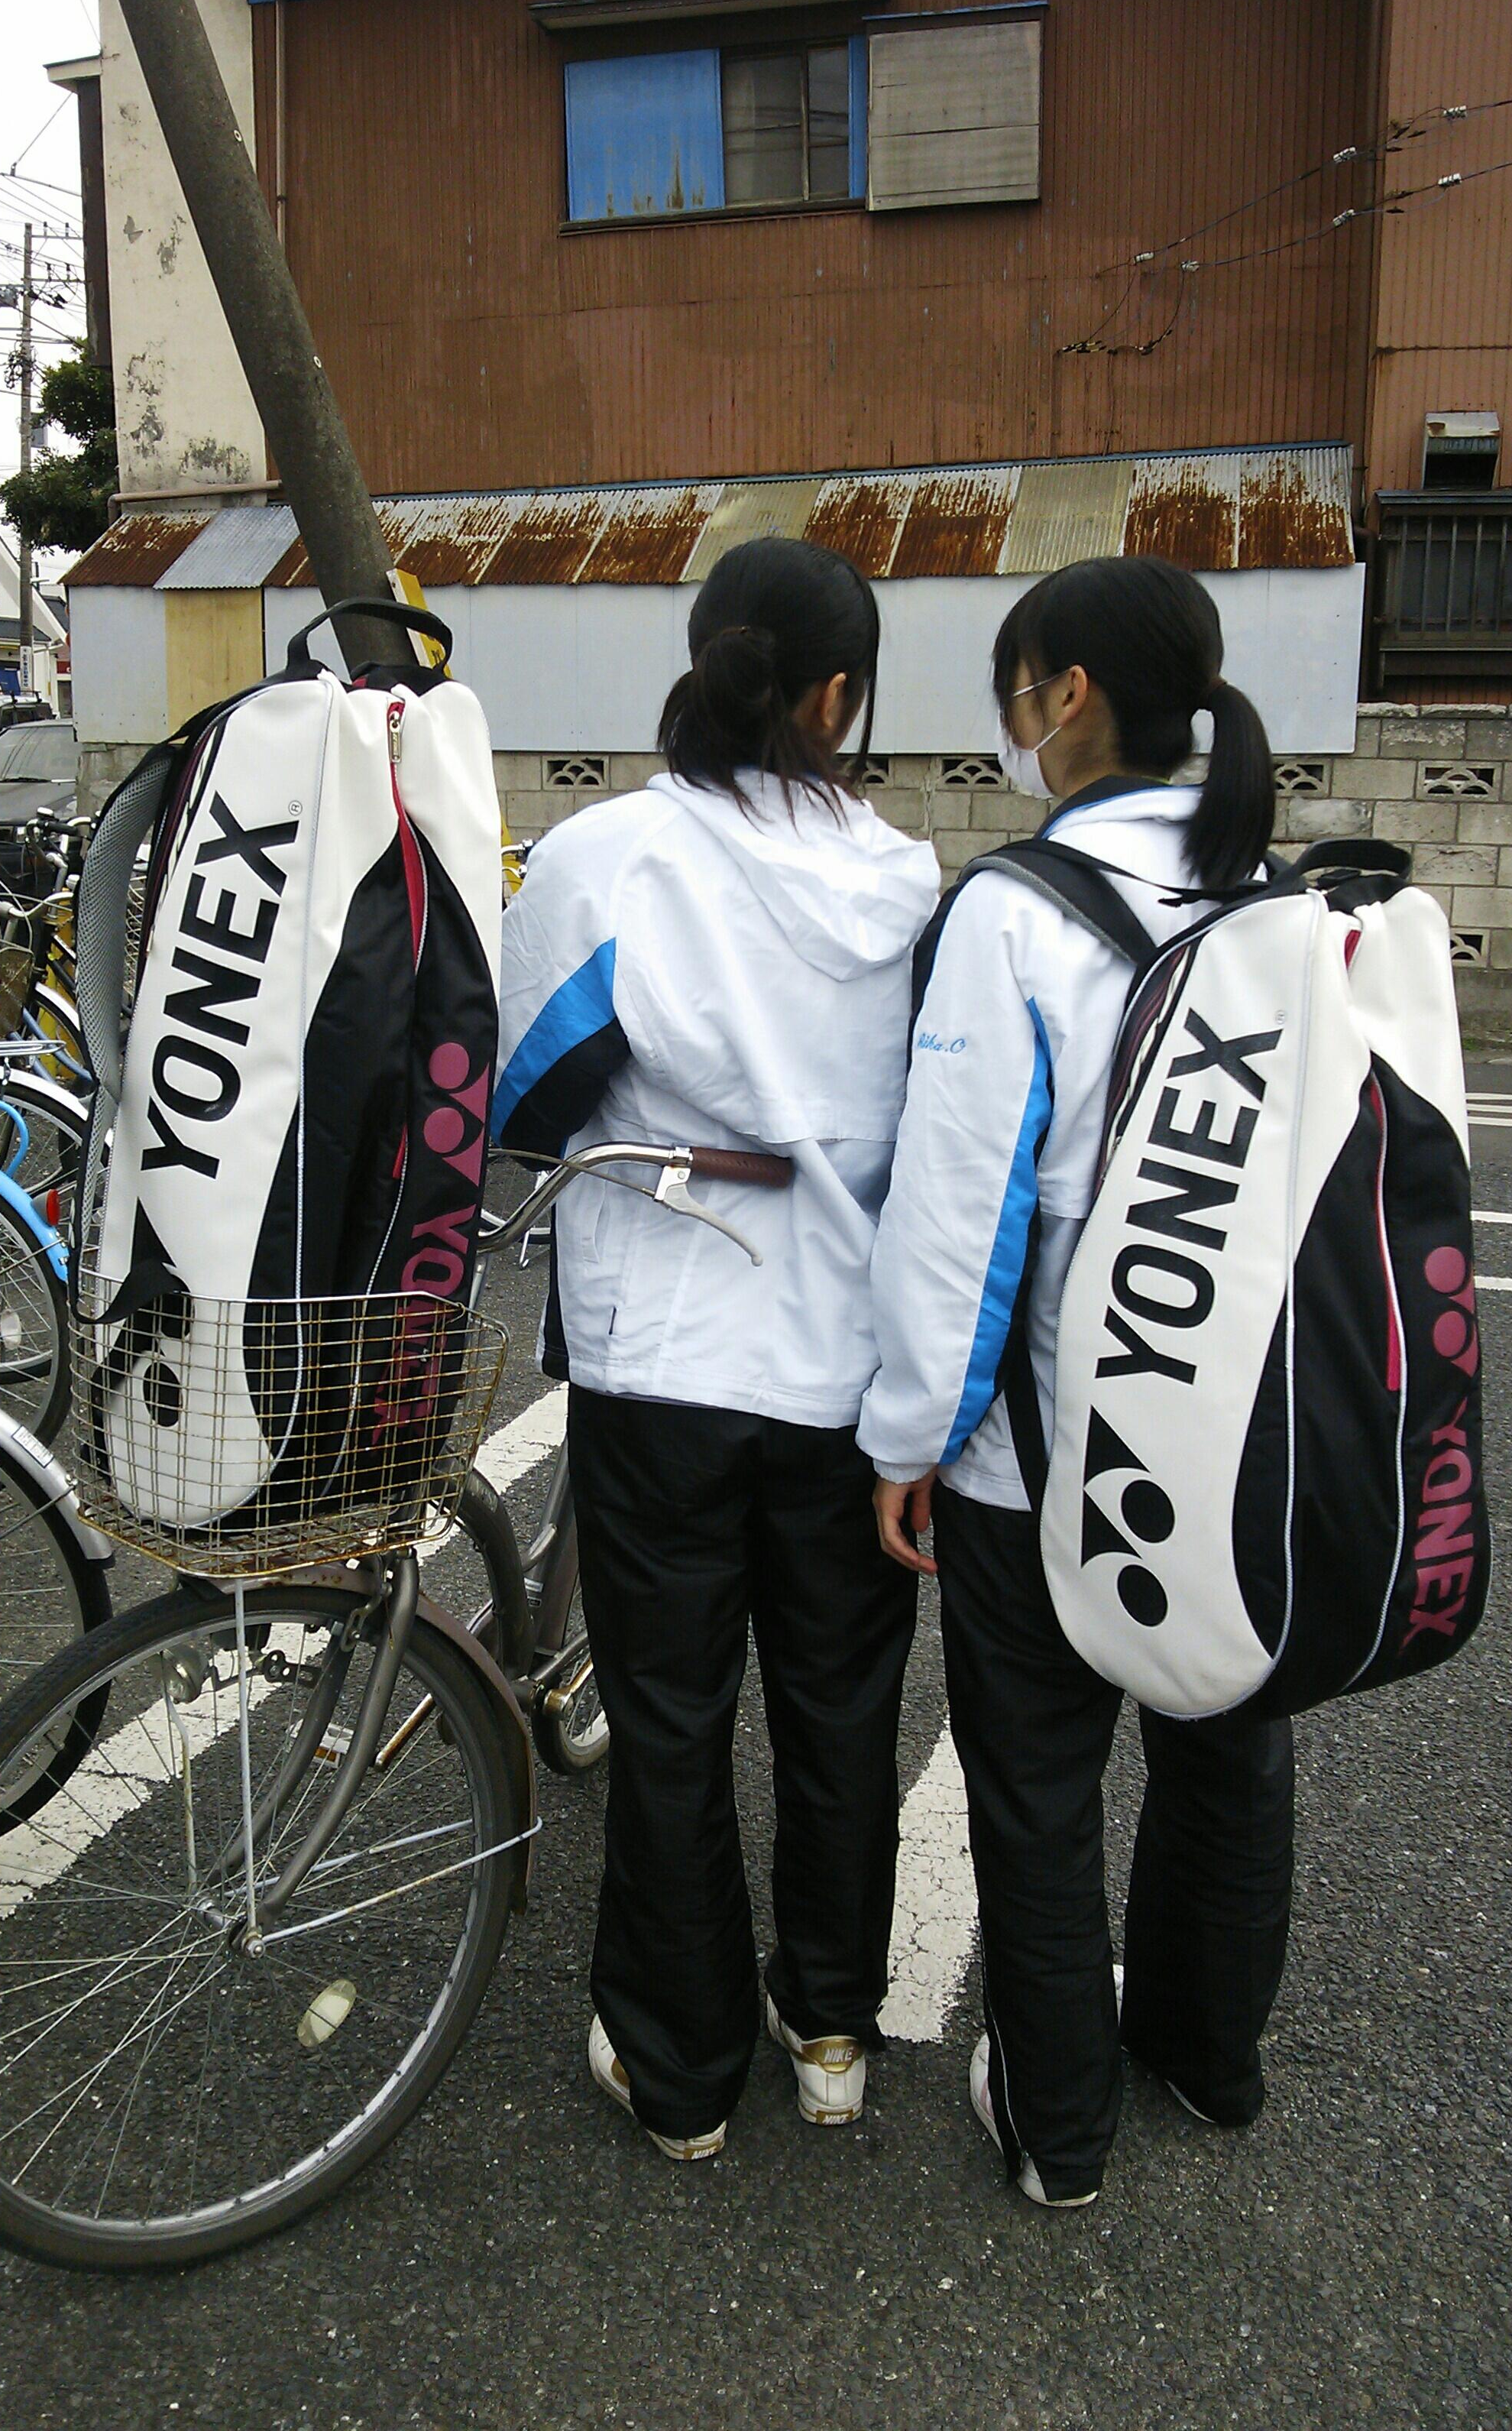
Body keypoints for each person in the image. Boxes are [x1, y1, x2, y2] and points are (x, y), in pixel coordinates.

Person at [493, 536, 939, 2161]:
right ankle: (829, 2031)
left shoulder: (609, 855)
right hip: (848, 1370)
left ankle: (678, 2074)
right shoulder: (913, 887)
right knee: (841, 1709)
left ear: (705, 659)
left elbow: (528, 1098)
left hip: (666, 1357)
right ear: (841, 695)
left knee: (671, 1716)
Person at [860, 555, 1294, 2210]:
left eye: (1017, 687)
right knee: (1227, 1753)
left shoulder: (1017, 914)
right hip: (1244, 1439)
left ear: (1069, 696)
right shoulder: (1281, 901)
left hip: (1047, 1463)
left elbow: (959, 1218)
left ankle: (1059, 2131)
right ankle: (1207, 2056)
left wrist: (909, 1434)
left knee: (1038, 1789)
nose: (1015, 717)